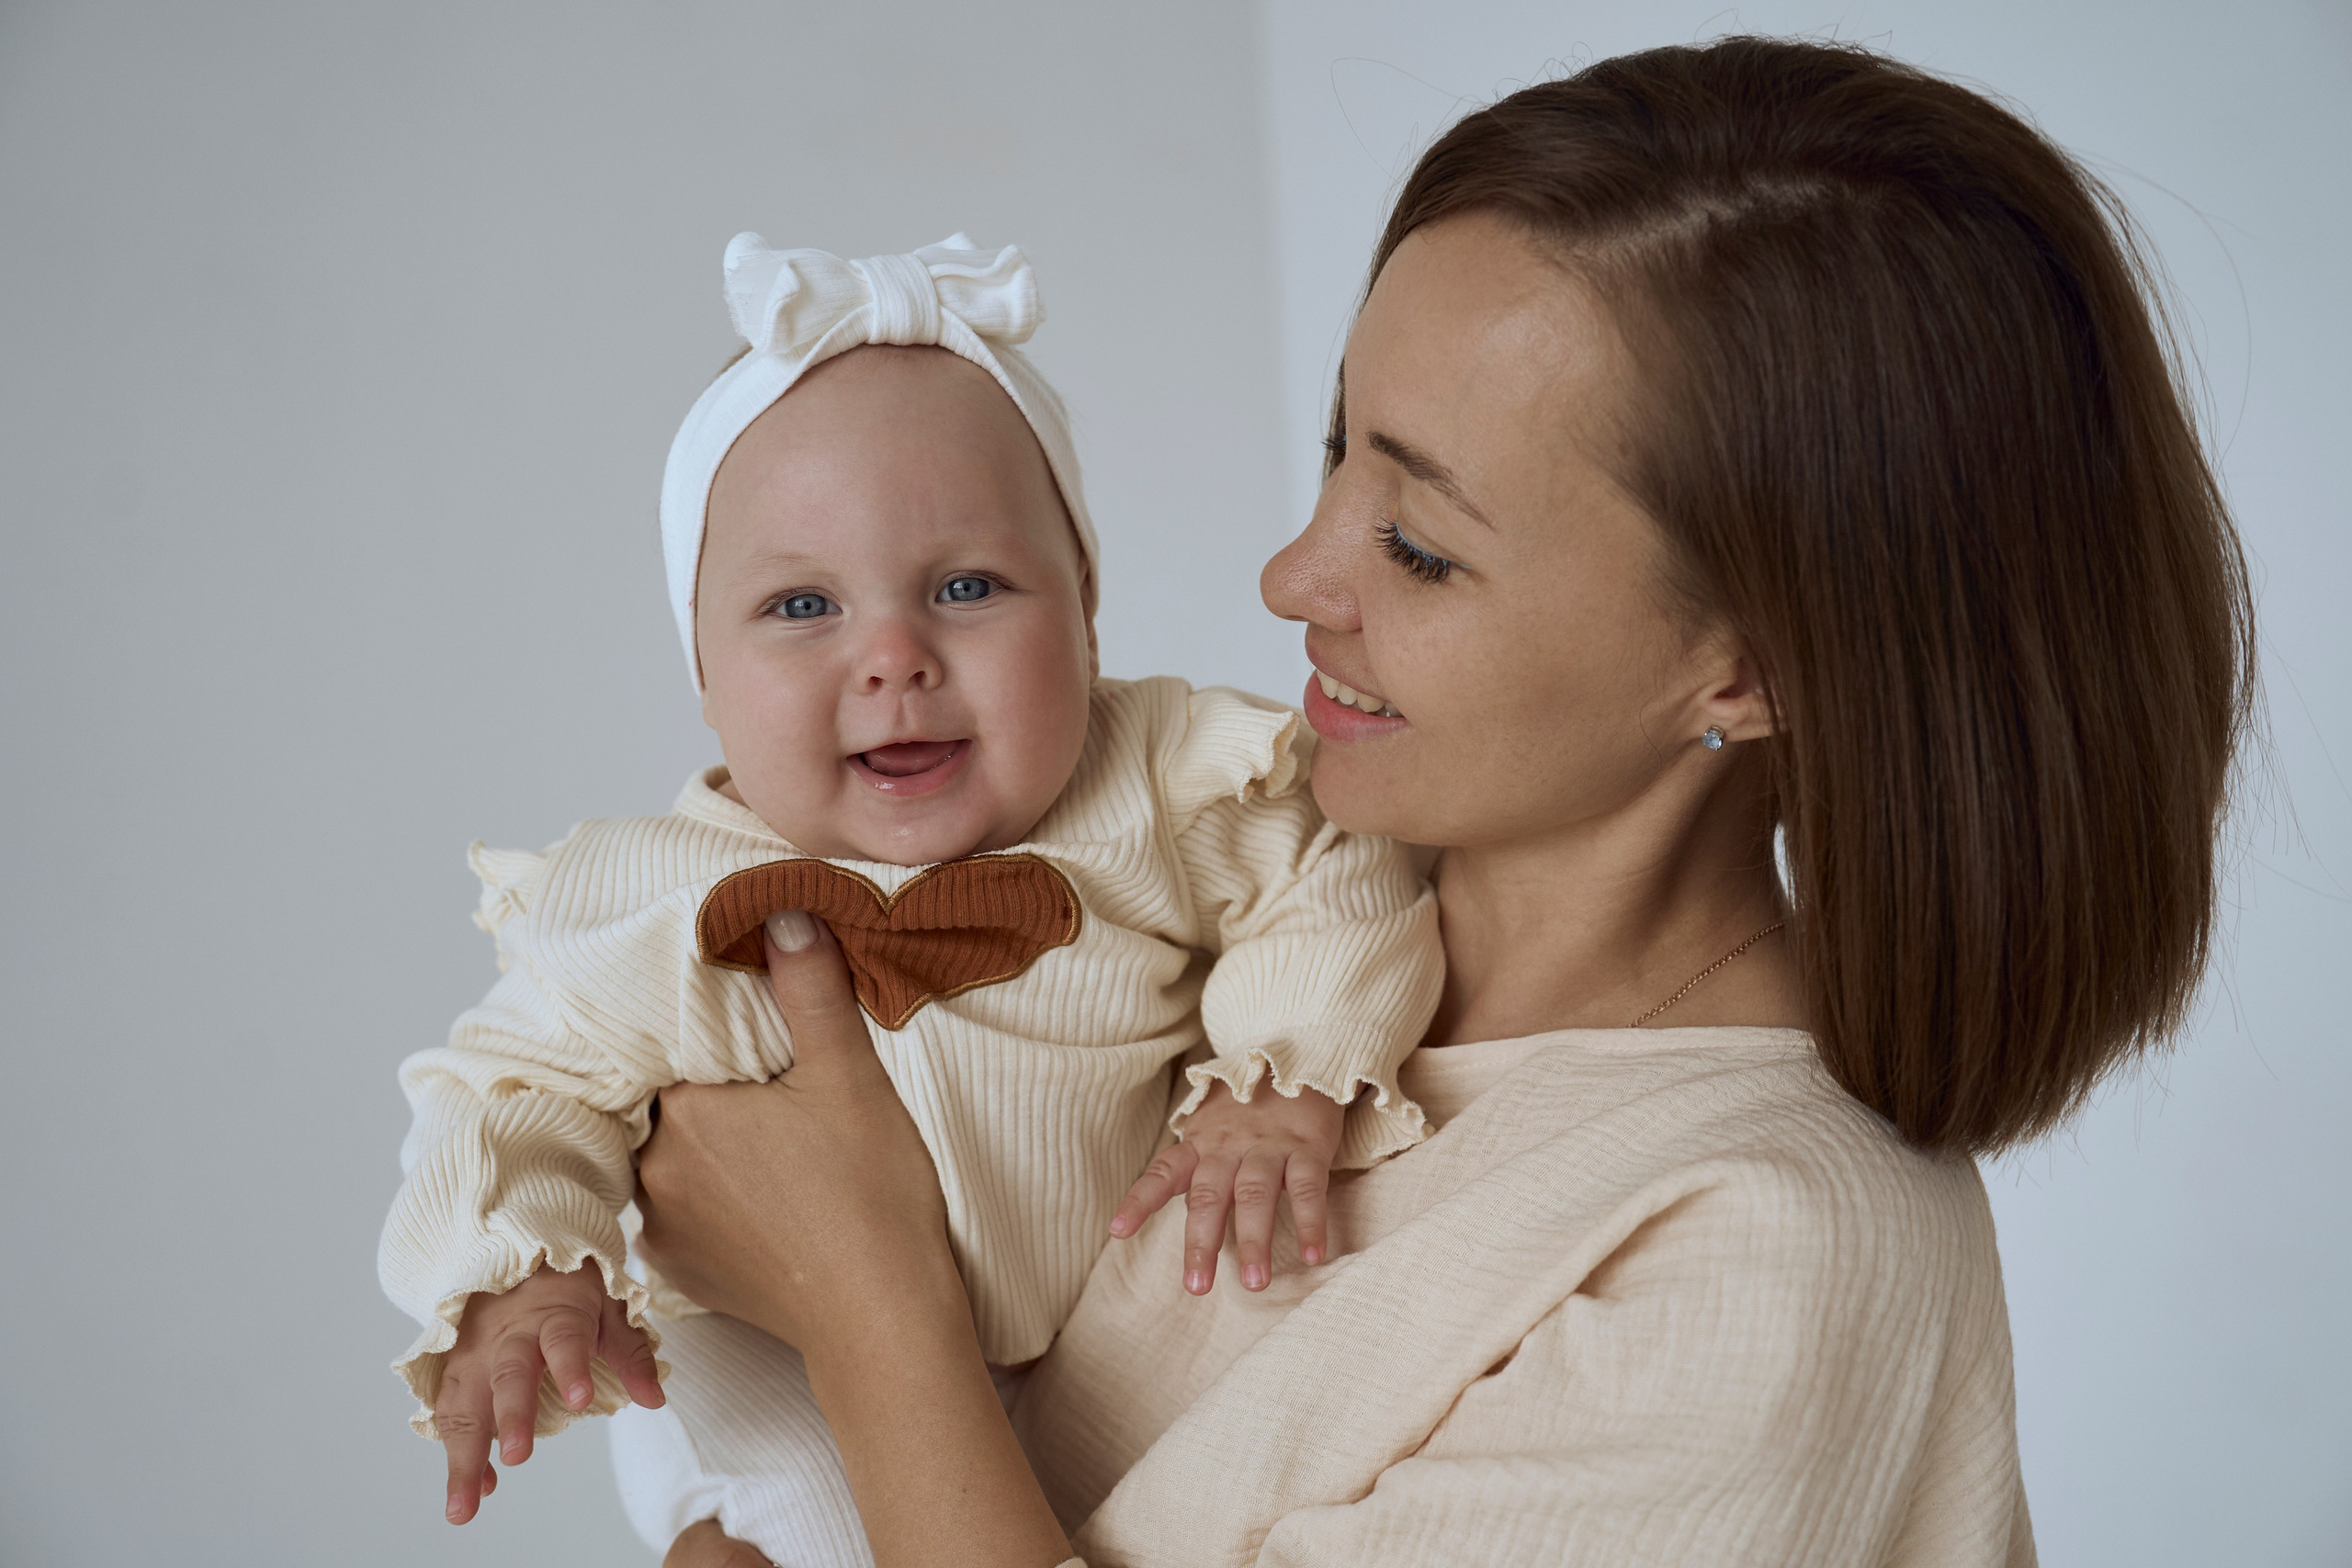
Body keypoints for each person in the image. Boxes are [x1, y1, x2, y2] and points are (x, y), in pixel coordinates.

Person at [637, 36, 2256, 1568]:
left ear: (1751, 666)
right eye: (1336, 447)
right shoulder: (1221, 903)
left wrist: (864, 1304)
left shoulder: (1773, 1259)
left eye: (1420, 547)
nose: (1292, 576)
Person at [375, 234, 1447, 1562]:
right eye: (801, 605)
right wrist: (528, 1268)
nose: (893, 658)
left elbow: (1330, 863)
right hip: (771, 1358)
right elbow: (509, 1090)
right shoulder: (651, 898)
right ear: (702, 668)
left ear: (1087, 611)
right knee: (815, 1526)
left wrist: (1282, 1071)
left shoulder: (1160, 786)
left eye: (966, 587)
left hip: (1078, 1356)